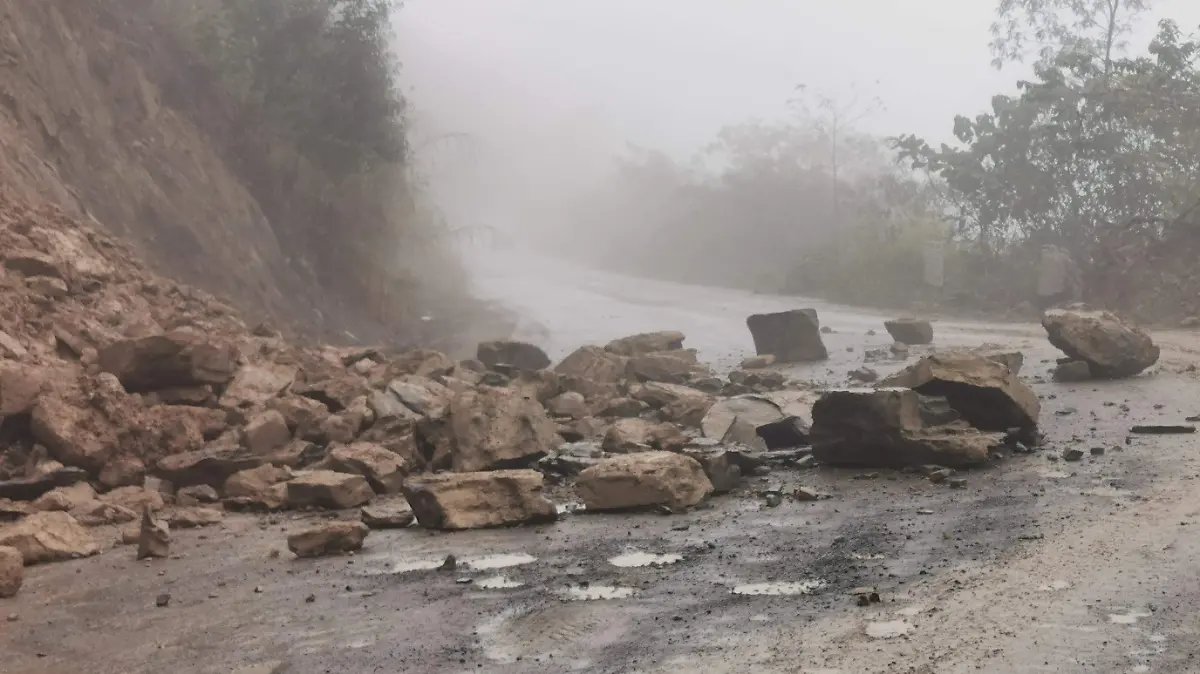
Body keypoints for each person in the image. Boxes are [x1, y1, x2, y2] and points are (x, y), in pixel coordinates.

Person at [1036, 244, 1081, 310]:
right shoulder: (1059, 256)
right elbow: (1070, 264)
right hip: (1057, 282)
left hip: (1054, 282)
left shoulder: (1047, 255)